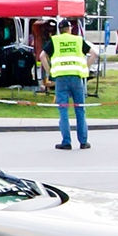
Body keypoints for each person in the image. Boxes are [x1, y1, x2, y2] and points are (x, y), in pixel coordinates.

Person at [40, 19, 96, 149]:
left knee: (63, 111)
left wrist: (50, 72)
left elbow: (42, 56)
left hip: (61, 79)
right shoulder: (78, 40)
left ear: (60, 29)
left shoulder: (55, 41)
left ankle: (66, 142)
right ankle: (83, 142)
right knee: (80, 110)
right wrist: (85, 68)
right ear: (70, 28)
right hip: (76, 78)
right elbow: (94, 54)